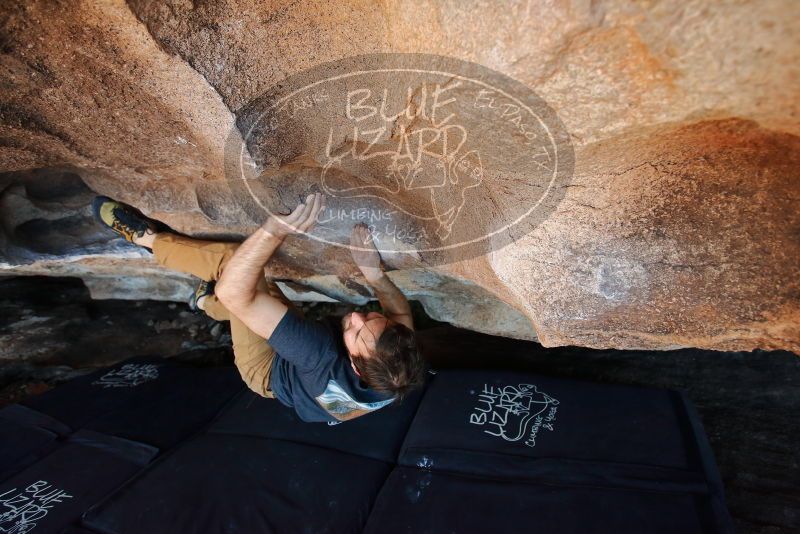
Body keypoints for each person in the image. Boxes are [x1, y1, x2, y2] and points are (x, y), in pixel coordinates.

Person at [92, 193, 426, 423]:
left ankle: (146, 239)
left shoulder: (318, 351)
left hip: (267, 369)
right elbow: (400, 315)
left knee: (235, 264)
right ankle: (208, 302)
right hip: (309, 379)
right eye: (372, 316)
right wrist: (373, 273)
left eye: (354, 331)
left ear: (354, 365)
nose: (354, 316)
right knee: (251, 289)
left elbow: (237, 291)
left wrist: (274, 231)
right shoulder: (397, 363)